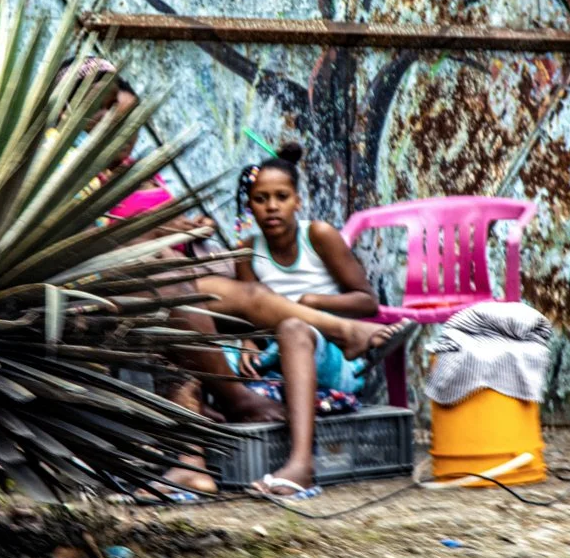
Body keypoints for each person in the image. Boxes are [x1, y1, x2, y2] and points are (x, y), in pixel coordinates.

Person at [55, 59, 418, 497]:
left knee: (206, 284)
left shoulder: (130, 169)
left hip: (156, 282)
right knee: (176, 291)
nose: (121, 125)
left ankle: (193, 460)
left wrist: (181, 233)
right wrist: (162, 234)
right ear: (72, 112)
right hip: (89, 295)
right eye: (108, 109)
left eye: (126, 114)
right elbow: (90, 247)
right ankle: (235, 403)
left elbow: (150, 230)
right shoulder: (65, 167)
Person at [227, 144, 410, 497]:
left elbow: (367, 301)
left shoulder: (318, 236)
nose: (272, 206)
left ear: (298, 200)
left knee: (294, 325)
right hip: (276, 356)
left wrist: (313, 302)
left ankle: (300, 465)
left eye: (281, 196)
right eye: (261, 199)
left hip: (330, 355)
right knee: (209, 342)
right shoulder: (246, 252)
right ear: (250, 206)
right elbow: (250, 311)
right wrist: (248, 341)